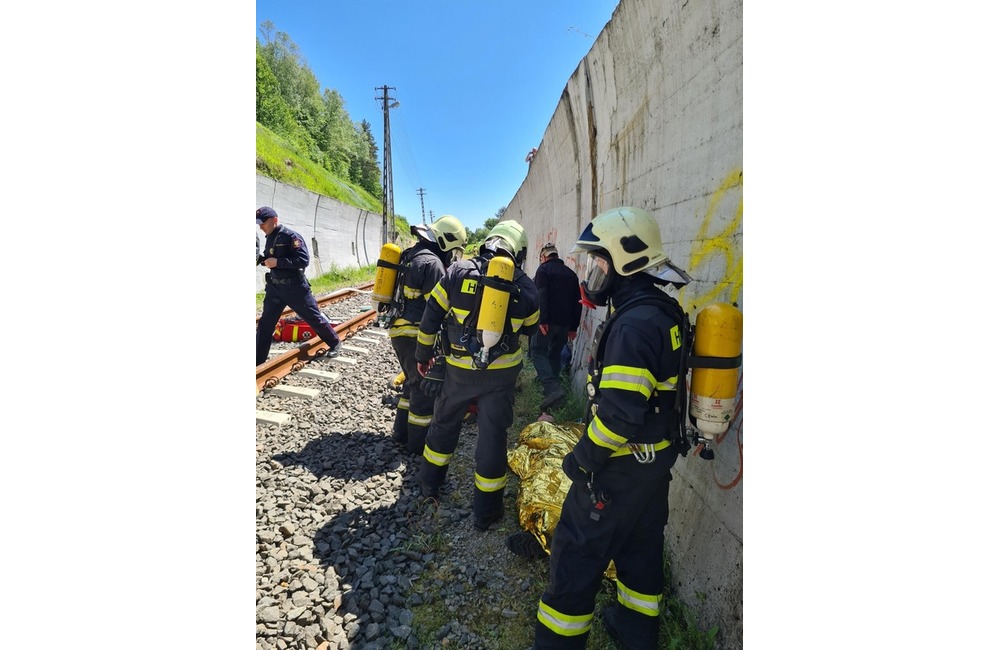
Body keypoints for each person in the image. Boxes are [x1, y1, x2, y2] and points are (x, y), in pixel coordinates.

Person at [531, 206, 693, 649]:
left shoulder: (634, 326)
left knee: (576, 555)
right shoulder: (661, 311)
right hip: (653, 464)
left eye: (599, 262)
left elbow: (619, 416)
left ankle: (557, 643)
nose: (593, 273)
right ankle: (635, 632)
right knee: (641, 552)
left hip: (617, 470)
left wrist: (582, 461)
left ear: (626, 261)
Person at [413, 220, 540, 531]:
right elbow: (532, 327)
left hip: (458, 371)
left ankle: (429, 487)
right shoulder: (525, 285)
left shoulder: (457, 270)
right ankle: (486, 511)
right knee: (493, 437)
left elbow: (432, 316)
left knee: (444, 424)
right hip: (501, 378)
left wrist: (423, 356)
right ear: (518, 251)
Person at [387, 214, 468, 454]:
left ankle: (400, 435)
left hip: (399, 330)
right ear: (443, 241)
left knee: (411, 384)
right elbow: (435, 310)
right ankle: (417, 446)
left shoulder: (411, 254)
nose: (452, 256)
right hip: (414, 334)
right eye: (452, 249)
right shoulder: (432, 264)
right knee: (423, 389)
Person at [255, 206, 343, 366]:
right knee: (265, 324)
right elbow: (271, 258)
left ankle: (335, 342)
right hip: (275, 288)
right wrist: (261, 260)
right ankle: (257, 361)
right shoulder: (269, 237)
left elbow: (303, 260)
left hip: (295, 287)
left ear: (274, 220)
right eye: (259, 224)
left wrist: (277, 262)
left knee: (313, 317)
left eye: (263, 223)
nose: (261, 227)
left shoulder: (291, 237)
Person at [530, 243, 583, 412]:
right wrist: (573, 327)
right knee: (554, 354)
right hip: (565, 325)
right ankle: (553, 394)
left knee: (537, 352)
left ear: (544, 257)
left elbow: (541, 295)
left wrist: (542, 320)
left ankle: (552, 388)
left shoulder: (543, 270)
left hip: (548, 322)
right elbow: (578, 304)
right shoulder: (572, 274)